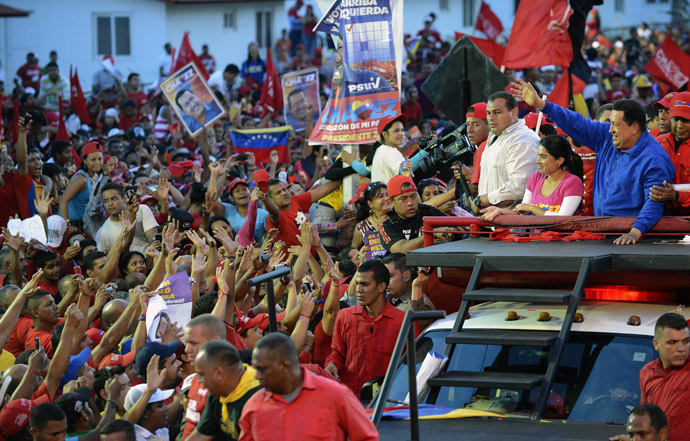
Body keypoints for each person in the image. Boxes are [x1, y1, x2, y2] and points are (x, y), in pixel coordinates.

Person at [513, 79, 675, 245]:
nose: (610, 129)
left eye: (615, 125)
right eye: (610, 123)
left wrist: (635, 233)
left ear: (634, 128)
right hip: (602, 232)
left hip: (635, 240)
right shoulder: (607, 136)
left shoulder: (654, 159)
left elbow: (654, 202)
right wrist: (542, 105)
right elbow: (577, 122)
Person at [240, 332, 378, 441]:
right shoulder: (253, 406)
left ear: (285, 366)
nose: (257, 376)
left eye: (262, 369)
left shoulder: (336, 395)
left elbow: (367, 437)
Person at [325, 260, 405, 398]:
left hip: (387, 403)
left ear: (381, 287)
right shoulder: (345, 316)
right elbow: (338, 353)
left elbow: (410, 366)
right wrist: (332, 365)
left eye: (365, 285)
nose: (358, 290)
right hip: (350, 401)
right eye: (357, 284)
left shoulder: (403, 321)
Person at [481, 135, 584, 219]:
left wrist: (532, 208)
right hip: (535, 242)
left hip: (562, 243)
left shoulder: (573, 182)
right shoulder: (535, 177)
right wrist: (500, 211)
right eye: (538, 155)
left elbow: (563, 218)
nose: (537, 161)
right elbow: (523, 213)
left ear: (560, 160)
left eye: (543, 157)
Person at [474, 91, 540, 213]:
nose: (491, 118)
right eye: (488, 113)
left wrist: (481, 201)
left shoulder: (523, 139)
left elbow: (519, 188)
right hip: (491, 222)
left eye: (497, 113)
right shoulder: (495, 137)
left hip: (513, 225)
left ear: (513, 113)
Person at [187, 340, 261, 441]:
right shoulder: (218, 391)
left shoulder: (258, 398)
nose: (198, 380)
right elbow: (201, 435)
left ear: (218, 374)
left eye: (201, 375)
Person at [638, 312, 690, 441]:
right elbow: (643, 419)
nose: (681, 348)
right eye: (672, 342)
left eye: (686, 341)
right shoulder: (647, 372)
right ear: (656, 344)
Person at [179, 315, 227, 441]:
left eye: (193, 343)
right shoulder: (196, 379)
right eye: (187, 343)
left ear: (215, 342)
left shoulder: (226, 386)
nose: (187, 349)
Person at [379, 175, 446, 254]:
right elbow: (401, 250)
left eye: (413, 196)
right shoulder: (387, 225)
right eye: (403, 199)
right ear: (391, 202)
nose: (410, 203)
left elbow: (457, 228)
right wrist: (432, 233)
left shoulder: (429, 211)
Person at [652, 92, 690, 215]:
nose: (680, 126)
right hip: (660, 219)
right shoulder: (655, 144)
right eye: (676, 119)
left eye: (685, 120)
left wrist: (677, 195)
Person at [60, 142, 114, 228]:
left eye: (100, 159)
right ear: (84, 160)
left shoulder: (96, 176)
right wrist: (67, 225)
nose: (97, 163)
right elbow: (63, 201)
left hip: (86, 225)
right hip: (73, 225)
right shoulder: (81, 179)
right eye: (93, 160)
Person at [96, 182, 158, 254]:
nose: (110, 204)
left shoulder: (142, 210)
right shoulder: (102, 233)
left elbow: (155, 242)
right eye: (106, 201)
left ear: (124, 198)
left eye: (114, 199)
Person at [381, 253, 435, 329]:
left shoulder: (422, 303)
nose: (385, 282)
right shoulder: (386, 299)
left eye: (390, 276)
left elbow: (419, 329)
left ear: (406, 275)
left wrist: (417, 288)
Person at [350, 181, 391, 250]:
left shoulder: (399, 219)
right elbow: (353, 253)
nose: (387, 198)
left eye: (387, 195)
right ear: (370, 203)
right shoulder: (361, 227)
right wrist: (361, 255)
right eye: (381, 196)